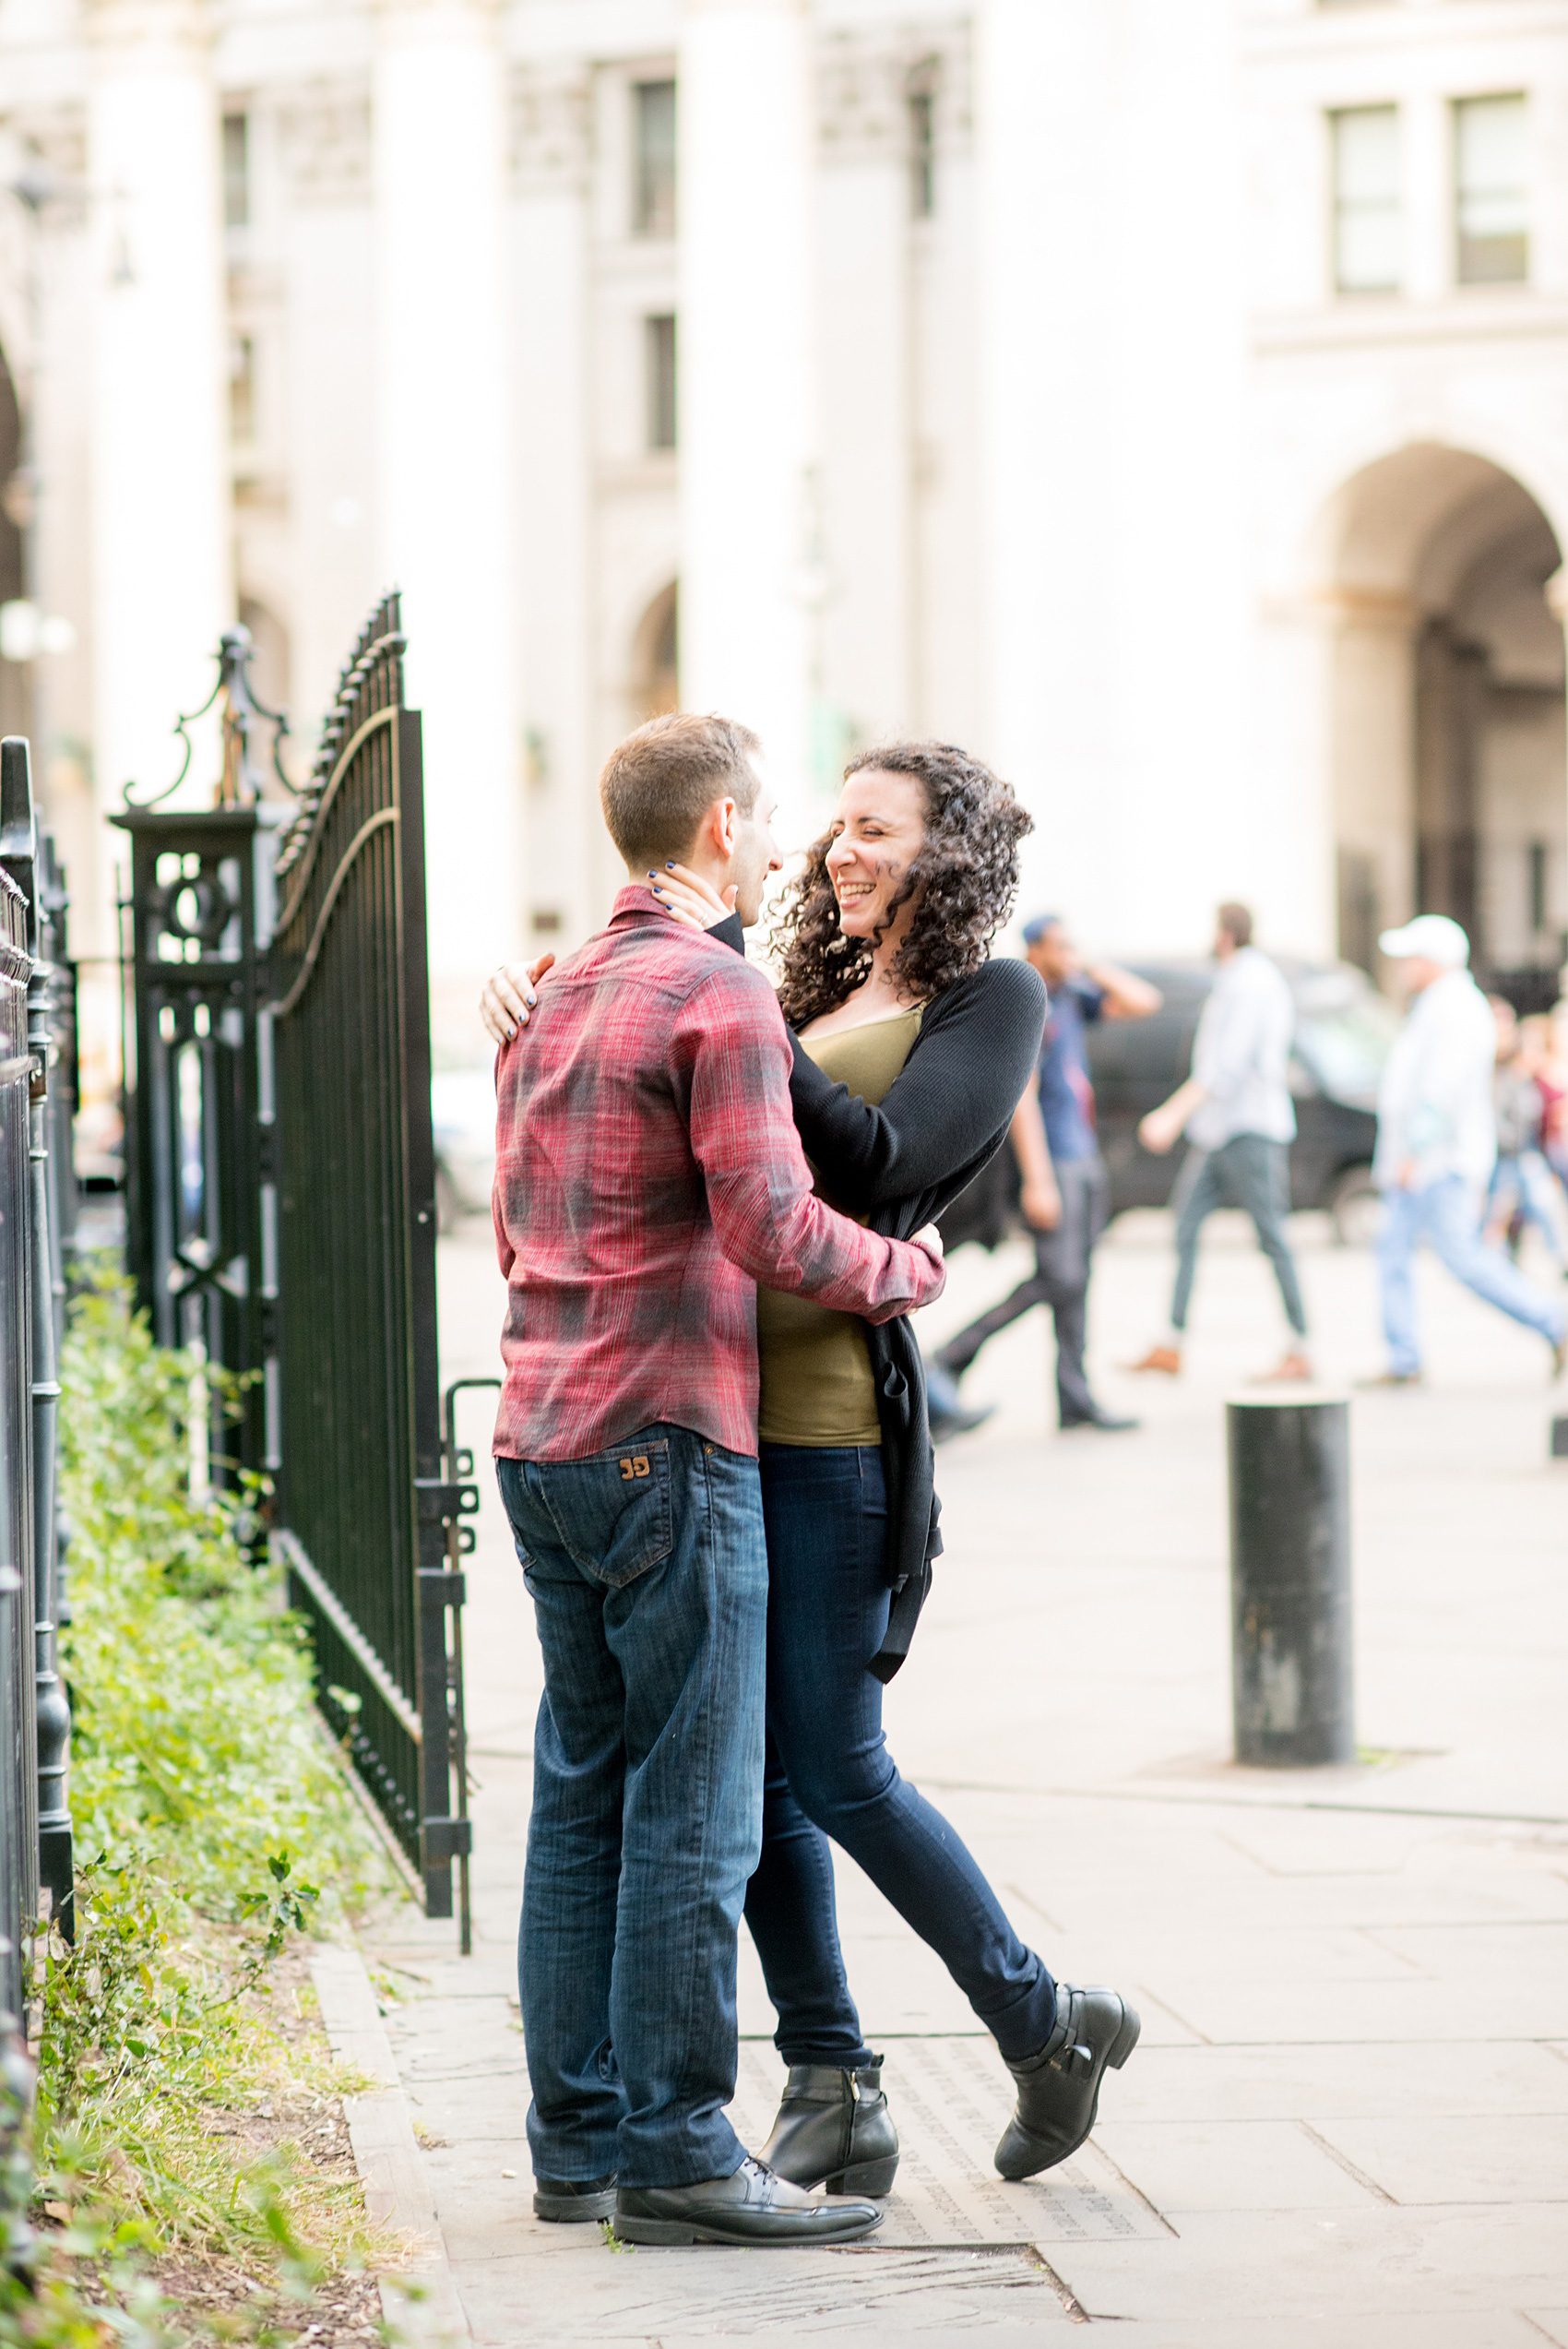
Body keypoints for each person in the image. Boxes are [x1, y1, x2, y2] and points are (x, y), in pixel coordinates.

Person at [484, 741, 1143, 2200]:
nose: (836, 852)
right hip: (693, 1405)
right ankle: (832, 2073)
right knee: (754, 1776)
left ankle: (1040, 2020)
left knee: (832, 1763)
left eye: (874, 830)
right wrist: (553, 991)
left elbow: (879, 1158)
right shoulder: (779, 984)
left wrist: (717, 998)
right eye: (830, 824)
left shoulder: (993, 999)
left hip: (828, 1421)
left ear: (947, 848)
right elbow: (660, 1088)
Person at [490, 712, 947, 2248]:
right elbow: (768, 1224)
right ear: (719, 830)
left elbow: (512, 1222)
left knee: (581, 1798)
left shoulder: (555, 995)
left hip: (541, 1431)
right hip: (669, 1440)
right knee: (693, 1806)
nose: (776, 852)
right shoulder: (717, 986)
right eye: (763, 829)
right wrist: (904, 1268)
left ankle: (576, 2138)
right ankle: (680, 2148)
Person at [929, 913, 1161, 1435]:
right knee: (1060, 1277)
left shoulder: (1074, 997)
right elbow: (1023, 1098)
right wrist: (1038, 1180)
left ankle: (1074, 1396)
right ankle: (949, 1357)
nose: (1070, 954)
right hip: (1053, 1160)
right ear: (1035, 948)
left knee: (1077, 1280)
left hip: (1084, 1157)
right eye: (1062, 945)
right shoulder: (1029, 1005)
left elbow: (1146, 1002)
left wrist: (1089, 964)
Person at [1360, 914, 1567, 1388]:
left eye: (1411, 957)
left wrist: (1414, 1151)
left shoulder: (1454, 1009)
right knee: (1395, 1250)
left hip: (1436, 1161)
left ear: (1432, 960)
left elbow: (1441, 1088)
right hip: (1421, 1160)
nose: (1404, 966)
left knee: (1463, 1257)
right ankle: (1403, 1355)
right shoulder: (1437, 1005)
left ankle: (1552, 1321)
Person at [1127, 901, 1311, 1383]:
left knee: (1272, 1235)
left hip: (1249, 1129)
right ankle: (1172, 1341)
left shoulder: (1252, 982)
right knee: (1186, 1225)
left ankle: (1301, 1345)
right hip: (1220, 1130)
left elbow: (1226, 1066)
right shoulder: (1241, 978)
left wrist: (1170, 1116)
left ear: (1227, 934)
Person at [1485, 1004, 1567, 1271]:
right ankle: (1495, 1256)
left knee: (1537, 1202)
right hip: (1509, 1155)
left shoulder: (1532, 1081)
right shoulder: (1504, 1077)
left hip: (1526, 1153)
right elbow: (1500, 1120)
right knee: (1505, 1207)